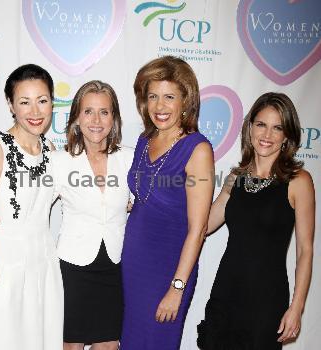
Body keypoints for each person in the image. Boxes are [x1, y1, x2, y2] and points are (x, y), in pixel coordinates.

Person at [197, 92, 315, 349]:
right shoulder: (235, 179)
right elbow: (202, 226)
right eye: (261, 124)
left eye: (277, 128)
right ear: (250, 127)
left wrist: (297, 307)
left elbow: (305, 250)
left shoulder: (298, 181)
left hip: (266, 301)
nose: (267, 135)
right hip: (226, 292)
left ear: (287, 136)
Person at [120, 56, 214, 349]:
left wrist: (177, 288)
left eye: (169, 97)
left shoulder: (197, 149)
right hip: (133, 265)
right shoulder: (143, 141)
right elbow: (147, 196)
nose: (160, 106)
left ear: (186, 101)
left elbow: (198, 229)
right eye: (153, 96)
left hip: (168, 271)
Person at [0, 64, 64, 350]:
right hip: (4, 269)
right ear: (11, 105)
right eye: (24, 102)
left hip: (43, 267)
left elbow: (75, 195)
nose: (35, 112)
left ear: (51, 102)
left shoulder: (52, 152)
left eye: (42, 100)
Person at [51, 80, 133, 350]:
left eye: (104, 112)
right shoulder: (60, 161)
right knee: (70, 345)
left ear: (114, 118)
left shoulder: (131, 159)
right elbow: (32, 205)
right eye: (88, 111)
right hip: (73, 267)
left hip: (115, 265)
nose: (96, 120)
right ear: (76, 117)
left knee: (109, 345)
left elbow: (147, 203)